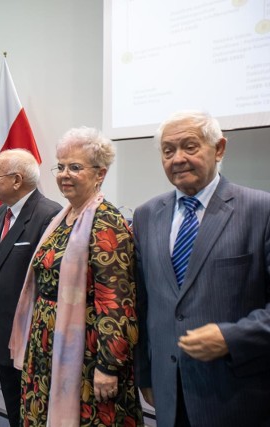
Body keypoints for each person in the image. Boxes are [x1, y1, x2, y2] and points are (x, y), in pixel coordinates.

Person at [133, 111, 270, 427]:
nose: (177, 159)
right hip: (169, 392)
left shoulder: (261, 211)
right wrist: (145, 375)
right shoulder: (146, 215)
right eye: (168, 151)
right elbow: (142, 303)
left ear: (219, 148)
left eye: (189, 146)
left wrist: (231, 337)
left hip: (239, 395)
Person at [10, 127, 143, 426]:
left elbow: (117, 302)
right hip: (47, 346)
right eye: (61, 166)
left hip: (87, 354)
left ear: (101, 173)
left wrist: (109, 366)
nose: (64, 174)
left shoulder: (107, 221)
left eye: (75, 167)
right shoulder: (63, 217)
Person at [0, 149, 61, 427]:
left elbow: (47, 282)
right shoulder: (1, 212)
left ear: (16, 180)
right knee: (14, 410)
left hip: (30, 337)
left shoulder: (50, 215)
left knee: (34, 414)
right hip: (1, 332)